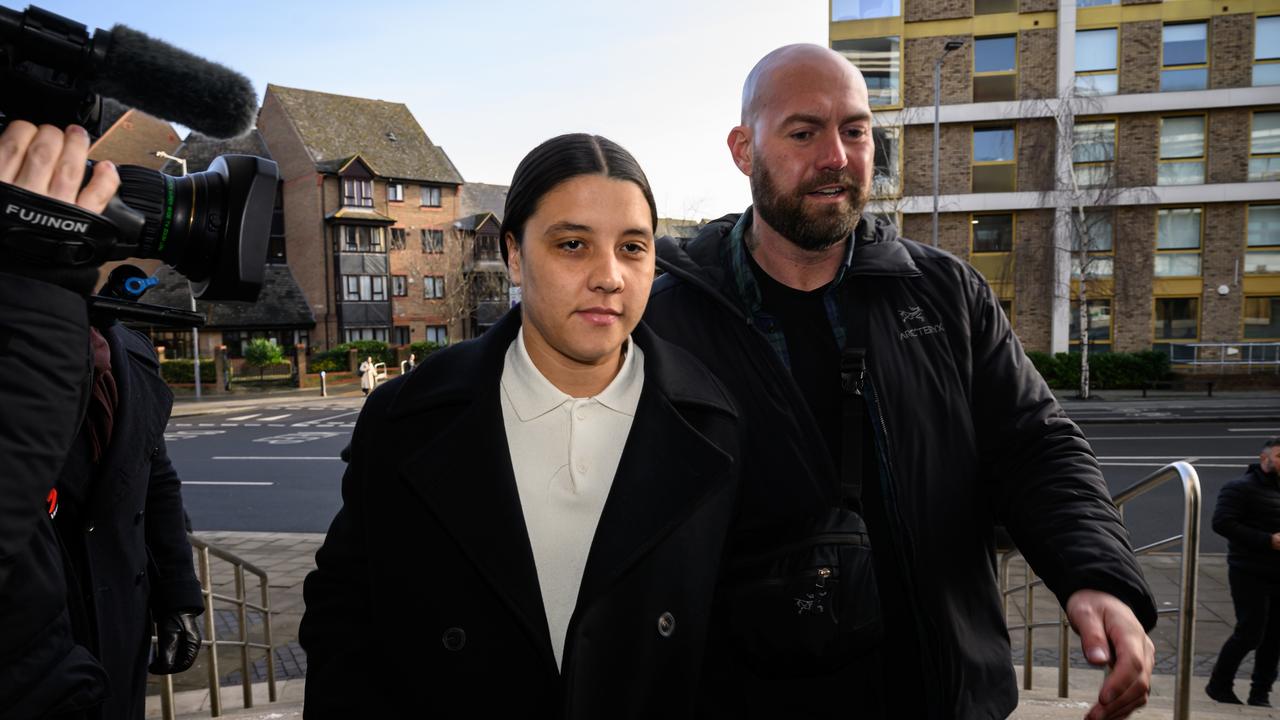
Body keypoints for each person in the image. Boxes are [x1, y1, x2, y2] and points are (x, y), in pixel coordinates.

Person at [644, 44, 1157, 720]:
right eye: (804, 132)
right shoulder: (665, 321)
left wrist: (1096, 577)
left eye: (855, 130)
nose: (838, 156)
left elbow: (1037, 447)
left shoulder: (945, 294)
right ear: (745, 149)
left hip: (941, 694)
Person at [300, 133, 741, 718]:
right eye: (573, 244)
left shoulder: (714, 424)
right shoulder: (406, 420)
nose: (609, 276)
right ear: (513, 254)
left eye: (633, 247)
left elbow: (736, 642)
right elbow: (346, 623)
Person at [0, 121, 203, 719]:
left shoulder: (129, 347)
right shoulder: (21, 330)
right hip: (32, 636)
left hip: (118, 625)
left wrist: (176, 594)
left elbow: (154, 479)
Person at [1206, 437, 1280, 707]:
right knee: (1250, 633)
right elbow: (1222, 523)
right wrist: (1267, 540)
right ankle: (1219, 685)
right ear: (1264, 460)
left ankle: (1260, 694)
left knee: (1273, 638)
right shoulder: (1239, 488)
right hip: (1249, 571)